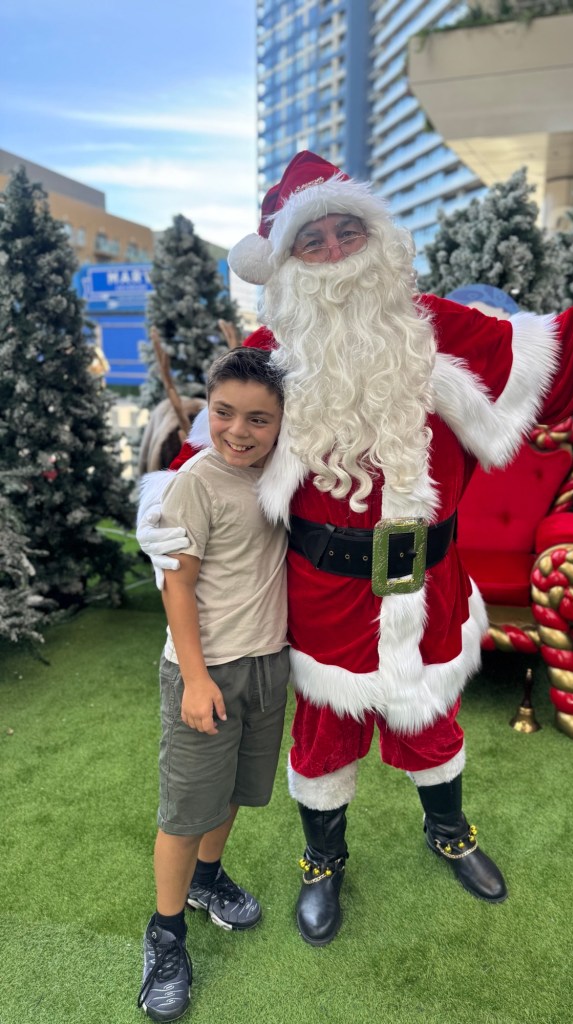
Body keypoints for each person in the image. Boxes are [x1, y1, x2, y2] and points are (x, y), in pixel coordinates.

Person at [137, 151, 573, 949]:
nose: (335, 250)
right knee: (323, 733)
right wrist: (165, 510)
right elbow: (217, 446)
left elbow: (559, 355)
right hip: (320, 588)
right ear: (285, 259)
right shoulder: (271, 348)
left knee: (433, 722)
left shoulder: (442, 328)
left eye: (349, 230)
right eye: (313, 239)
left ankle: (449, 832)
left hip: (430, 581)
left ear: (377, 238)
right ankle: (323, 861)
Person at [138, 346, 289, 1022]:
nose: (239, 430)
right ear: (208, 410)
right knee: (185, 811)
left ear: (282, 423)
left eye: (259, 418)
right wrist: (196, 679)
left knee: (232, 793)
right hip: (205, 670)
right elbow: (178, 586)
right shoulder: (196, 481)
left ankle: (207, 879)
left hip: (266, 663)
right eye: (225, 413)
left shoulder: (282, 474)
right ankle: (166, 935)